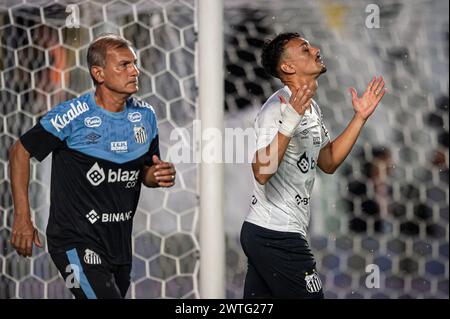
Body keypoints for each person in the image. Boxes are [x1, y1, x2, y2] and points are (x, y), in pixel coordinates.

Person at [9, 34, 176, 299]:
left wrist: (154, 175)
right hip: (74, 240)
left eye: (134, 63)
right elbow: (20, 151)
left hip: (118, 241)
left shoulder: (145, 116)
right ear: (98, 73)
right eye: (124, 65)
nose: (135, 71)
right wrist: (21, 217)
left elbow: (145, 169)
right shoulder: (72, 116)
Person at [240, 32, 386, 298]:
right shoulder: (277, 109)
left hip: (274, 232)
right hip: (276, 234)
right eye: (305, 49)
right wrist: (288, 123)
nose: (316, 49)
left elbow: (328, 161)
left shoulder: (311, 108)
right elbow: (261, 172)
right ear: (288, 67)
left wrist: (359, 118)